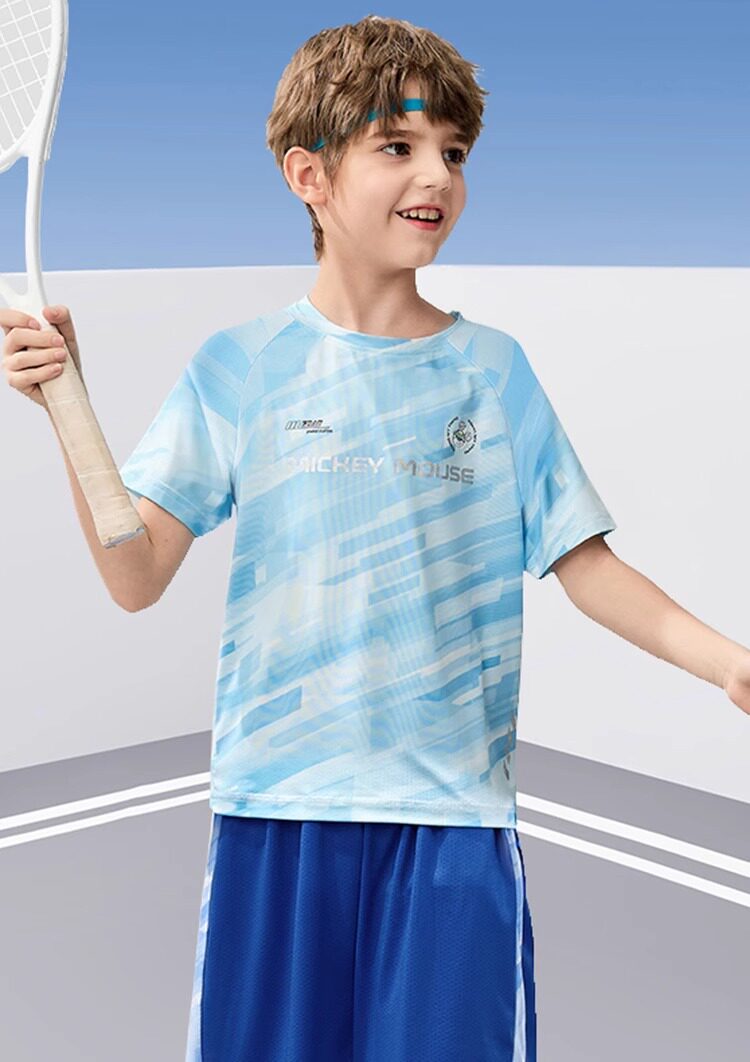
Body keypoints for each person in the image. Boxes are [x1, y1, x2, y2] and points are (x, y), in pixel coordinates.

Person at [3, 14, 748, 1062]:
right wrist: (67, 409)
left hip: (452, 830)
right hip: (274, 816)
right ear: (309, 175)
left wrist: (729, 664)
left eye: (454, 150)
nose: (435, 173)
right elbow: (136, 575)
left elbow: (587, 566)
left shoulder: (494, 373)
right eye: (398, 144)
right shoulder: (241, 366)